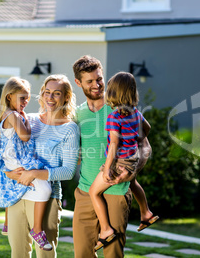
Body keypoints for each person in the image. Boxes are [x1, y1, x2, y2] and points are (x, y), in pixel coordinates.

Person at [72, 55, 156, 258]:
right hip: (85, 191)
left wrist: (132, 170)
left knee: (113, 254)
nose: (96, 85)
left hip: (117, 192)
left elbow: (145, 145)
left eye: (99, 79)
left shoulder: (120, 108)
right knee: (82, 253)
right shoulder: (77, 114)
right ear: (78, 83)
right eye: (90, 81)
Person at [4, 74, 80, 258]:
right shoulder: (29, 119)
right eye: (47, 92)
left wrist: (34, 174)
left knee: (44, 254)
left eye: (56, 93)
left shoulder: (69, 129)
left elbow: (68, 171)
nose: (50, 98)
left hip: (46, 198)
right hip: (17, 192)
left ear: (66, 97)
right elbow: (8, 148)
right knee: (18, 252)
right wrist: (9, 173)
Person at [0, 77, 53, 251]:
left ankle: (7, 223)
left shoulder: (7, 114)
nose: (26, 102)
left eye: (27, 98)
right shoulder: (12, 115)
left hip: (11, 160)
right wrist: (26, 120)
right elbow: (25, 136)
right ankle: (37, 230)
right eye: (22, 98)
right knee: (45, 189)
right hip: (17, 159)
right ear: (9, 97)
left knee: (10, 186)